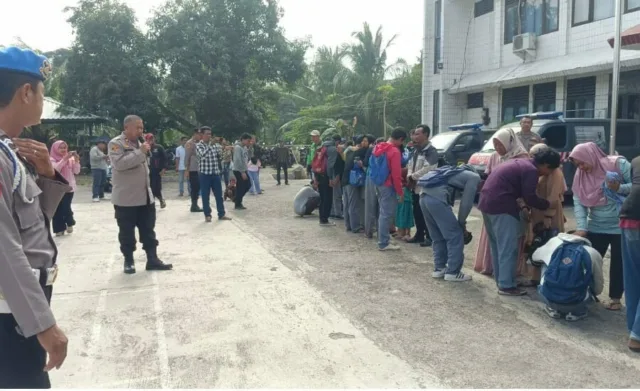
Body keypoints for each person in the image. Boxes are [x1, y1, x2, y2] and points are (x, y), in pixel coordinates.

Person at [0, 46, 69, 388]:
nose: (43, 98)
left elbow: (31, 224)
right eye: (42, 91)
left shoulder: (11, 149)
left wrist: (45, 174)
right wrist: (43, 325)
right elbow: (4, 248)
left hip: (18, 306)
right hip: (10, 310)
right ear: (26, 92)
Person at [478, 147, 559, 296]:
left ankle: (502, 279)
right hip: (502, 207)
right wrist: (548, 204)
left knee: (497, 245)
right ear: (546, 165)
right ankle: (507, 286)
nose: (547, 174)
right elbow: (530, 197)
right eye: (550, 170)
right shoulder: (531, 171)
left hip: (487, 203)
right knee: (508, 247)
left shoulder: (520, 162)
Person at [570, 142, 632, 311]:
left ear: (590, 155)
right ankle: (587, 294)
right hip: (596, 225)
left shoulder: (617, 164)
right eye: (577, 165)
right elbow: (578, 201)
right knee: (590, 262)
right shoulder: (580, 174)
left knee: (619, 263)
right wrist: (582, 227)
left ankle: (615, 299)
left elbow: (637, 186)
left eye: (582, 162)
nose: (581, 167)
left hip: (622, 223)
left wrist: (619, 187)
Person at [109, 115, 173, 274]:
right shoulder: (116, 144)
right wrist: (140, 152)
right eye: (137, 127)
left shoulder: (140, 143)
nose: (140, 130)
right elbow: (120, 164)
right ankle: (129, 260)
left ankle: (152, 259)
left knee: (148, 230)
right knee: (126, 232)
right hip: (126, 199)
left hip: (145, 196)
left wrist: (142, 150)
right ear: (126, 128)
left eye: (141, 127)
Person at [473, 128, 529, 275]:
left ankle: (507, 275)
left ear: (509, 143)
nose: (498, 149)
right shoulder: (494, 156)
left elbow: (523, 187)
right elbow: (488, 177)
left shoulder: (521, 158)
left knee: (507, 244)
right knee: (499, 243)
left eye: (500, 145)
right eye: (495, 145)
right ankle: (502, 279)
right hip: (495, 205)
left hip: (511, 206)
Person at [419, 165, 481, 282]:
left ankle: (439, 268)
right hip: (437, 199)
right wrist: (461, 224)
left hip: (423, 197)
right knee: (455, 235)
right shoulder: (474, 177)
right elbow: (466, 204)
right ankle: (453, 272)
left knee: (437, 235)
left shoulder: (449, 171)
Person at [521, 143, 567, 285]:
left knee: (549, 243)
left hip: (549, 215)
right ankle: (535, 278)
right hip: (537, 213)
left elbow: (553, 197)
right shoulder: (538, 171)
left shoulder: (555, 173)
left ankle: (548, 279)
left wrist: (548, 216)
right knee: (537, 245)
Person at [532, 233, 604, 321]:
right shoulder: (592, 252)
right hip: (577, 302)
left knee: (545, 263)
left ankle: (552, 308)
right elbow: (598, 284)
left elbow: (534, 257)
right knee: (591, 273)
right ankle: (577, 312)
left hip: (549, 298)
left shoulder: (554, 242)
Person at [370, 128, 407, 251]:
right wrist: (400, 192)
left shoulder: (378, 147)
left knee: (382, 213)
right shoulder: (394, 151)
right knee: (386, 214)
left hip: (378, 183)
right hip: (388, 186)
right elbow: (396, 175)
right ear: (401, 139)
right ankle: (384, 243)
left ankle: (384, 238)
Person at [407, 124, 439, 247]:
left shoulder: (431, 151)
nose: (415, 136)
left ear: (425, 134)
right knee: (417, 212)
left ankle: (430, 236)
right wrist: (410, 176)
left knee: (427, 213)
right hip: (415, 186)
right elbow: (410, 165)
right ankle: (419, 234)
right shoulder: (415, 150)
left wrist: (412, 176)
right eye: (414, 134)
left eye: (418, 134)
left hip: (425, 187)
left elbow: (429, 168)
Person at [620, 156, 640, 352]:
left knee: (633, 276)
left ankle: (633, 327)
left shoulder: (636, 160)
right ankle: (637, 335)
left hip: (628, 217)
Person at [196, 127, 231, 222]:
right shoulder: (199, 145)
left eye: (210, 134)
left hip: (215, 174)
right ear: (202, 135)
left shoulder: (215, 145)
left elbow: (221, 157)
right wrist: (210, 146)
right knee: (205, 195)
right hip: (205, 174)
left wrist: (224, 148)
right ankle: (207, 215)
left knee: (219, 195)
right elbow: (202, 155)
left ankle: (221, 214)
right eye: (207, 134)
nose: (209, 136)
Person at [49, 140, 81, 236]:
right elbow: (55, 170)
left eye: (65, 147)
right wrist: (64, 159)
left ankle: (70, 222)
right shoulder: (51, 159)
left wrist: (76, 161)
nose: (63, 150)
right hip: (56, 187)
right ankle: (59, 229)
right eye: (61, 147)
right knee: (57, 208)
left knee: (66, 206)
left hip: (69, 187)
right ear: (55, 149)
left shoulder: (70, 160)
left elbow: (76, 171)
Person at [341, 135, 370, 233]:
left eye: (366, 141)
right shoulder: (360, 151)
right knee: (354, 203)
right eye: (364, 141)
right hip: (352, 180)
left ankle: (348, 225)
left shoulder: (349, 151)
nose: (366, 143)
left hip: (345, 179)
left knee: (348, 203)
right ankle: (356, 226)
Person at [145, 133, 167, 209]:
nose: (151, 140)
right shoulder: (144, 148)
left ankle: (160, 200)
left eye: (152, 138)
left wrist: (164, 168)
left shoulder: (159, 147)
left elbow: (165, 158)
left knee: (156, 187)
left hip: (157, 171)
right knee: (150, 187)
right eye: (149, 139)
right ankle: (154, 202)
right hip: (147, 172)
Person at [185, 128, 203, 212]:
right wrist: (187, 170)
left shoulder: (200, 143)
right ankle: (194, 205)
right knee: (194, 187)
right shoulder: (189, 143)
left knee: (198, 187)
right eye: (199, 134)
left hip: (200, 168)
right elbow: (187, 157)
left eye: (201, 134)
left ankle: (195, 204)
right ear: (195, 134)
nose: (200, 136)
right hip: (192, 169)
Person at [232, 133, 252, 210]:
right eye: (248, 140)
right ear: (243, 139)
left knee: (247, 185)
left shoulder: (244, 148)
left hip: (244, 169)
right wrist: (242, 172)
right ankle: (238, 203)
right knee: (241, 186)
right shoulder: (238, 147)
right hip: (238, 170)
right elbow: (237, 160)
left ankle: (237, 199)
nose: (249, 142)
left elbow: (246, 158)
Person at [327, 134, 345, 219]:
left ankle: (332, 211)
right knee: (337, 195)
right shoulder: (336, 151)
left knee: (332, 194)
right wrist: (337, 177)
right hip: (335, 174)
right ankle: (337, 213)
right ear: (338, 141)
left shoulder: (327, 149)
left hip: (329, 174)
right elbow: (337, 166)